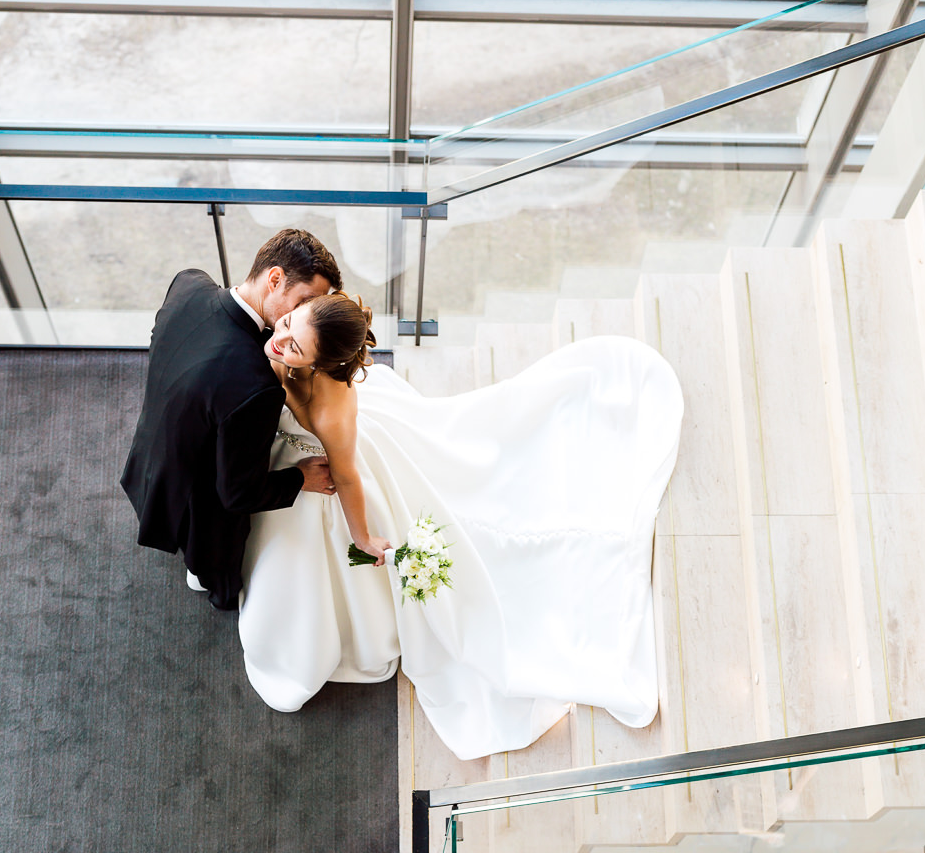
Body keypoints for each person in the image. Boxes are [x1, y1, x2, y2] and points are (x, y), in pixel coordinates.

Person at [237, 294, 683, 762]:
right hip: (301, 463)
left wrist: (365, 539)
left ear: (321, 362)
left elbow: (347, 479)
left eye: (295, 346)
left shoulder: (332, 412)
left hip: (332, 482)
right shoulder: (286, 340)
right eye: (286, 324)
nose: (279, 341)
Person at [121, 229, 341, 611]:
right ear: (274, 279)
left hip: (149, 452)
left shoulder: (189, 284)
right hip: (195, 501)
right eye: (305, 300)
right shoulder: (254, 387)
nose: (307, 315)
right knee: (218, 567)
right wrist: (301, 477)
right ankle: (218, 591)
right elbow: (238, 493)